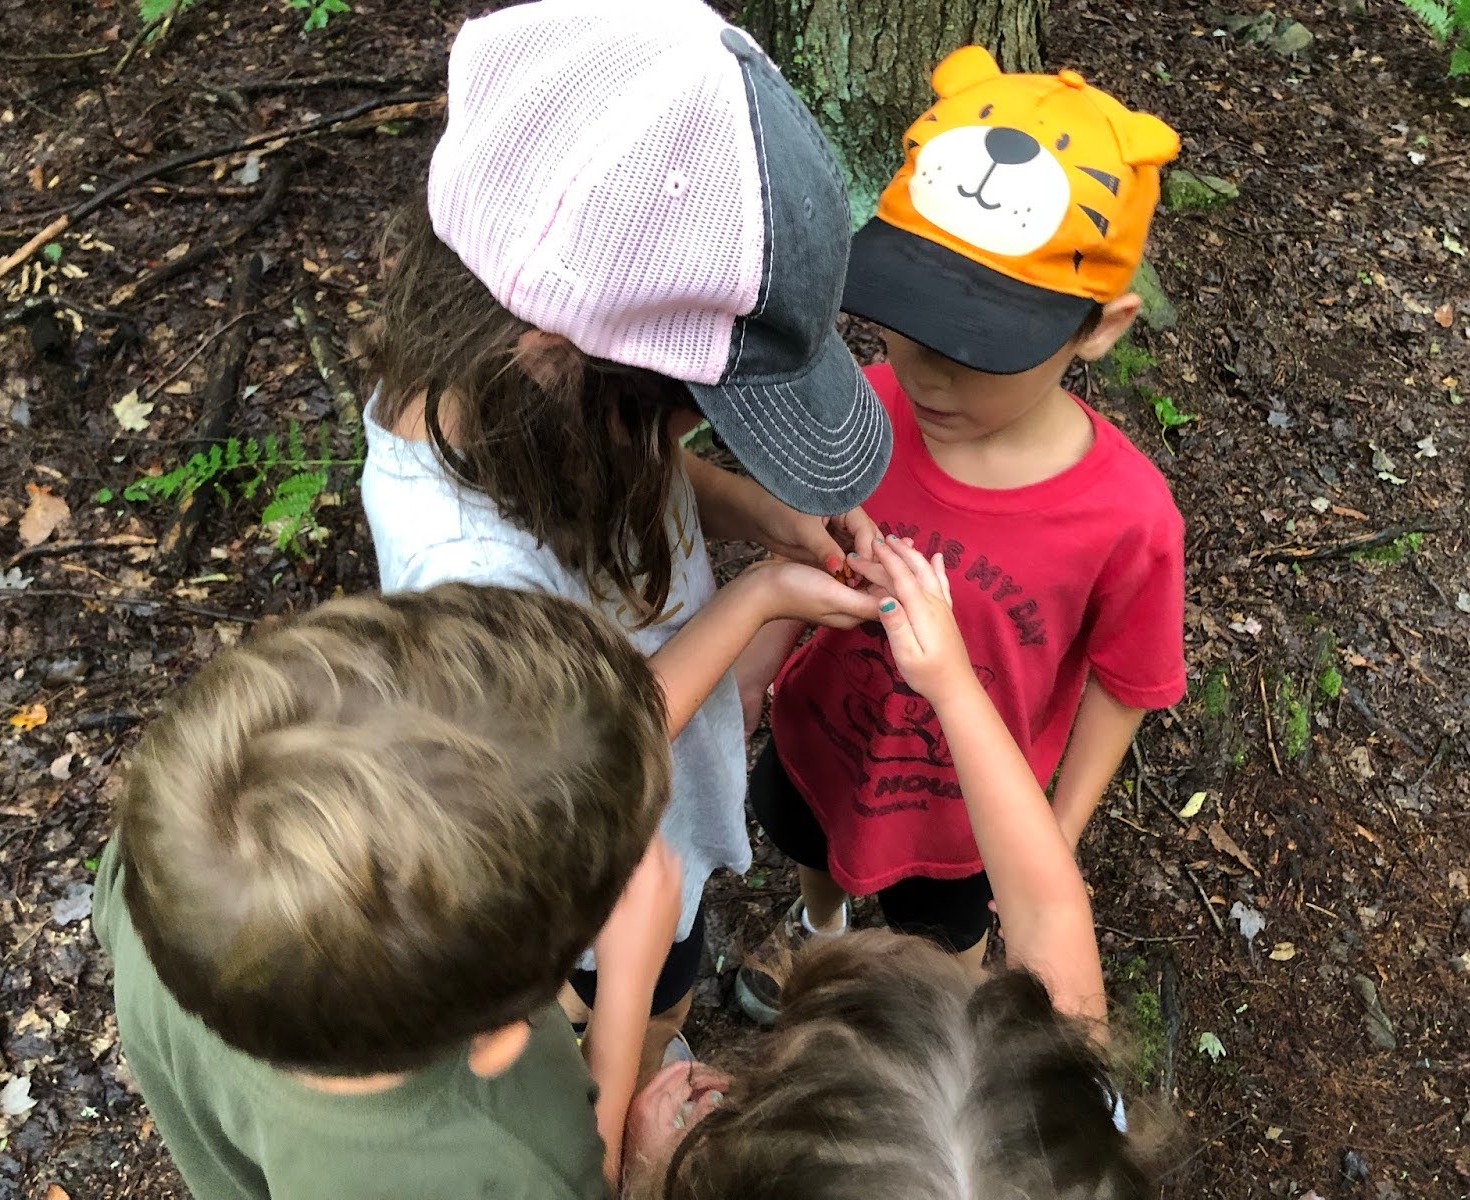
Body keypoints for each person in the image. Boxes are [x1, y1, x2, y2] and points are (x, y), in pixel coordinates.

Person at [356, 0, 892, 1154]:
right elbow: (578, 748)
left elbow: (632, 470)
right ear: (557, 352)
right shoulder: (465, 568)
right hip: (598, 881)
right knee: (642, 1000)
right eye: (684, 406)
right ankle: (632, 1118)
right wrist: (756, 599)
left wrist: (761, 508)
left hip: (659, 808)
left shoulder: (518, 413)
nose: (680, 435)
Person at [736, 48, 1186, 1024]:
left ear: (1099, 329)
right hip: (825, 736)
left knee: (942, 944)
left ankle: (922, 1011)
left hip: (966, 815)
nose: (929, 377)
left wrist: (1050, 836)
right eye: (905, 321)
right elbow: (801, 540)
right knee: (810, 844)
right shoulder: (869, 404)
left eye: (978, 351)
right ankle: (816, 934)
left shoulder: (1126, 516)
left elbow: (1128, 680)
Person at [94, 584, 683, 1200]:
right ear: (506, 1032)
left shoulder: (169, 871)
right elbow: (592, 1181)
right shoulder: (513, 1155)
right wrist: (625, 994)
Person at [625, 541, 1156, 1200]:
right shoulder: (1072, 1129)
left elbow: (1050, 911)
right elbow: (1050, 910)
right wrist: (952, 683)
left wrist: (653, 1168)